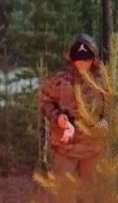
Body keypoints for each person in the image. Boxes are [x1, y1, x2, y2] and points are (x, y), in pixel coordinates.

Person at [39, 34, 104, 186]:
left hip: (92, 148)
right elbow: (45, 101)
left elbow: (111, 110)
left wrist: (105, 124)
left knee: (90, 198)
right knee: (65, 198)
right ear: (71, 58)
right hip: (65, 148)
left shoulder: (101, 82)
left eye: (86, 59)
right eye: (78, 59)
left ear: (93, 59)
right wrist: (58, 118)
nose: (82, 64)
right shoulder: (60, 81)